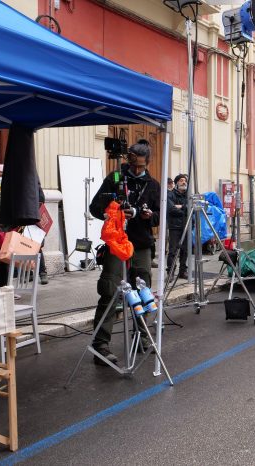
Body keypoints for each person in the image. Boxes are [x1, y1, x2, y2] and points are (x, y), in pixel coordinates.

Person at [89, 139, 161, 365]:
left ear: (147, 163)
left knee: (143, 292)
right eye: (134, 165)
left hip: (140, 243)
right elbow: (95, 208)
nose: (136, 170)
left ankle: (142, 337)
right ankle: (100, 344)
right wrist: (113, 210)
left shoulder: (153, 185)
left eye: (141, 166)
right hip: (116, 244)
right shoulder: (115, 179)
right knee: (110, 291)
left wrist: (145, 214)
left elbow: (160, 216)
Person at [167, 174, 189, 279]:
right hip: (174, 226)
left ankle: (182, 271)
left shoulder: (188, 195)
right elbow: (171, 209)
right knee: (173, 251)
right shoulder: (170, 195)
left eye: (185, 180)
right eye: (181, 180)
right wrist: (185, 210)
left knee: (185, 250)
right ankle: (170, 272)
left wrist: (181, 207)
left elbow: (192, 208)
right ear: (176, 183)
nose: (183, 182)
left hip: (187, 225)